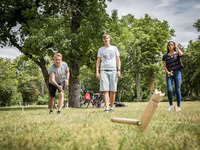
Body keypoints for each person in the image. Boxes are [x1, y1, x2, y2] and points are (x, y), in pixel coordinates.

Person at [96, 34, 121, 112]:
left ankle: (112, 107)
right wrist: (97, 72)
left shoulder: (114, 48)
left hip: (113, 70)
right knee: (105, 90)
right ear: (103, 40)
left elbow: (118, 60)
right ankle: (107, 108)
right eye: (104, 39)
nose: (106, 40)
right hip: (103, 71)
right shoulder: (100, 49)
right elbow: (98, 61)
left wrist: (119, 70)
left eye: (107, 38)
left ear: (109, 39)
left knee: (113, 90)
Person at [162, 41, 183, 111]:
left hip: (177, 72)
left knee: (177, 90)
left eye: (172, 45)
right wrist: (167, 72)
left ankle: (178, 106)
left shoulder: (177, 54)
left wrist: (177, 47)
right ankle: (170, 105)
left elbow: (181, 54)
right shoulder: (165, 56)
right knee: (169, 90)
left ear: (174, 46)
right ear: (168, 47)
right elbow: (164, 66)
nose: (170, 46)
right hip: (169, 73)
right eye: (169, 45)